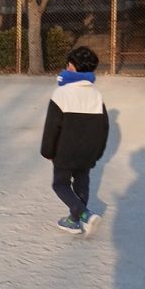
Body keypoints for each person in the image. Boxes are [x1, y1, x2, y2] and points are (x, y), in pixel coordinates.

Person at [41, 45, 109, 236]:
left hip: (65, 150)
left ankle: (85, 214)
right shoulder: (96, 95)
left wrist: (47, 151)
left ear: (72, 66)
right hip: (88, 151)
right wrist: (97, 152)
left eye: (69, 64)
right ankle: (73, 220)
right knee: (81, 183)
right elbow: (104, 127)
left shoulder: (61, 93)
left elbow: (52, 126)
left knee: (60, 184)